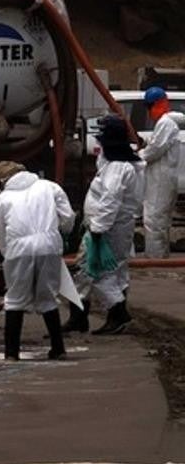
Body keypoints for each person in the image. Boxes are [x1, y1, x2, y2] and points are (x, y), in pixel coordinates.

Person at [0, 161, 75, 360]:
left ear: (2, 181)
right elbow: (68, 217)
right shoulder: (50, 187)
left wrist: (7, 253)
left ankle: (11, 353)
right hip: (49, 245)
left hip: (18, 249)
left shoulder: (4, 198)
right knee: (47, 296)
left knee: (15, 299)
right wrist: (59, 233)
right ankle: (58, 348)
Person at [72, 116, 144, 334]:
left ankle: (118, 313)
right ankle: (82, 317)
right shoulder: (123, 165)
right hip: (117, 227)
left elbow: (110, 201)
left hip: (107, 229)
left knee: (95, 270)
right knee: (114, 271)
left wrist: (97, 230)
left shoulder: (117, 168)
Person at [138, 87, 185, 258]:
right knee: (161, 220)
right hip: (163, 176)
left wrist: (138, 156)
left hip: (161, 177)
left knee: (153, 219)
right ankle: (161, 256)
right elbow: (156, 143)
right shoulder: (165, 123)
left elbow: (155, 150)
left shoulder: (165, 123)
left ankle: (155, 258)